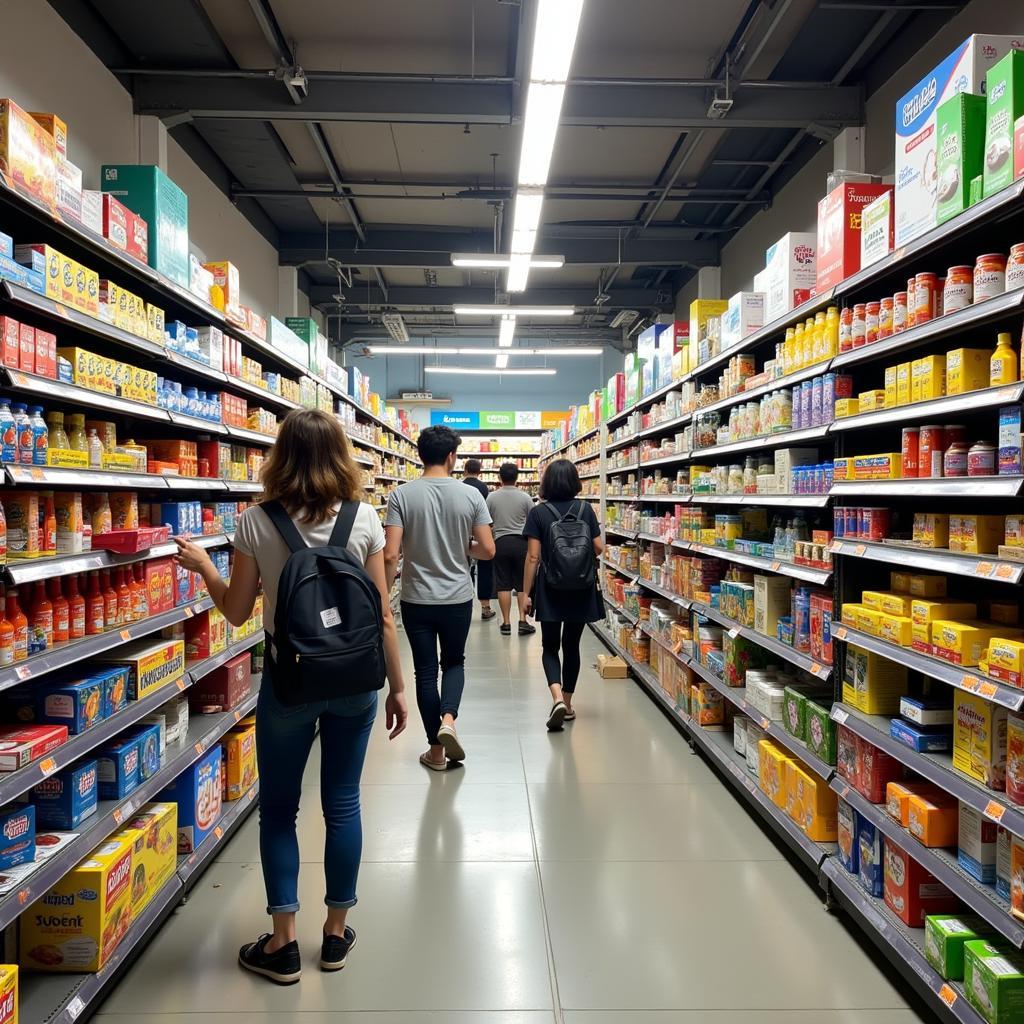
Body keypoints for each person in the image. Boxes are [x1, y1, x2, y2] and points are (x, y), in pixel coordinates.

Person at [174, 408, 408, 985]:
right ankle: (334, 935)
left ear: (281, 454)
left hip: (289, 681)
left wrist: (206, 566)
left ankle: (281, 943)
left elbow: (234, 612)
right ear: (341, 456)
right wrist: (399, 687)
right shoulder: (364, 519)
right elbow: (381, 616)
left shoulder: (257, 522)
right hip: (355, 682)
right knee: (343, 802)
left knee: (279, 809)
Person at [384, 426, 495, 770]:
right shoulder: (471, 496)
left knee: (425, 673)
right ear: (451, 457)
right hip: (457, 597)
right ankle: (449, 720)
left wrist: (382, 597)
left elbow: (390, 554)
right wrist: (462, 546)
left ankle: (435, 751)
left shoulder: (401, 495)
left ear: (419, 455)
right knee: (455, 662)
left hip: (416, 598)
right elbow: (488, 550)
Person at [523, 458, 604, 731]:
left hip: (550, 587)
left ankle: (556, 696)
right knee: (572, 646)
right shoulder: (585, 509)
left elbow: (533, 557)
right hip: (580, 587)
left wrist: (525, 593)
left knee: (549, 646)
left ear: (547, 483)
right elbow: (599, 548)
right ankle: (568, 704)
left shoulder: (538, 513)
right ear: (575, 481)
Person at [486, 462, 535, 637]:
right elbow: (532, 521)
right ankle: (522, 621)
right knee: (522, 584)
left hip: (500, 543)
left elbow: (487, 521)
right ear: (517, 477)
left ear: (499, 477)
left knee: (503, 584)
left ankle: (506, 623)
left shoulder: (491, 498)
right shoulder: (525, 498)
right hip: (521, 543)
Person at [462, 458, 495, 621]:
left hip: (462, 534)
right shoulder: (484, 488)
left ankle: (464, 602)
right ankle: (485, 606)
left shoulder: (460, 487)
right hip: (481, 532)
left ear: (465, 470)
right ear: (480, 472)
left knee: (463, 567)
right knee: (485, 569)